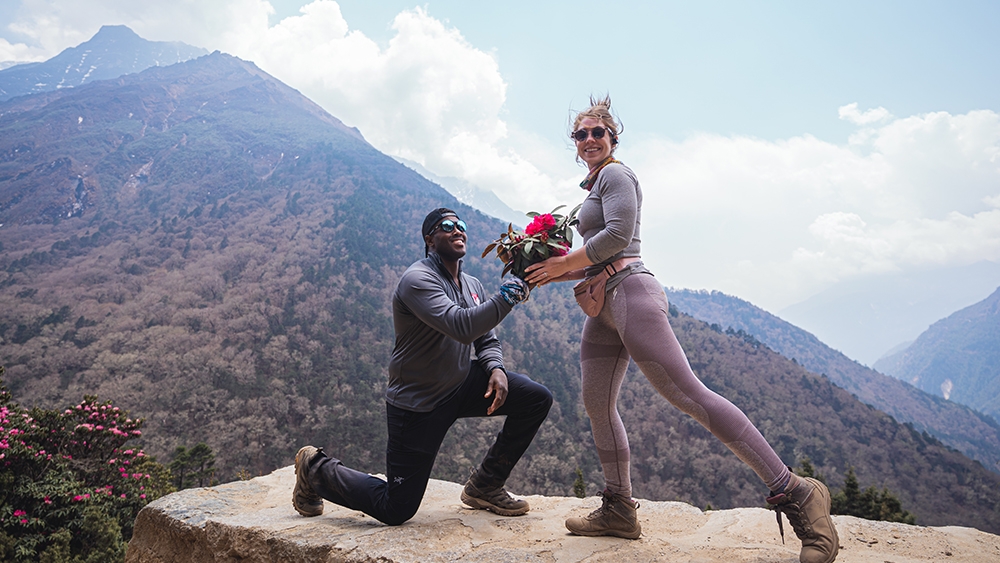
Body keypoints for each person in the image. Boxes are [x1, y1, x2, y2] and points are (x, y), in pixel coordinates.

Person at [524, 97, 839, 563]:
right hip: (604, 302)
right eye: (580, 134)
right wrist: (545, 272)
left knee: (689, 394)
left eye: (597, 132)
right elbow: (596, 255)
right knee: (596, 402)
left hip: (631, 294)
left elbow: (617, 237)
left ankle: (796, 491)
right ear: (574, 143)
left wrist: (563, 263)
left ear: (613, 137)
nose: (589, 139)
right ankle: (619, 509)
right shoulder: (594, 185)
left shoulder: (617, 175)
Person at [293, 208, 553, 526]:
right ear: (430, 239)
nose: (457, 230)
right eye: (447, 226)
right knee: (396, 508)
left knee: (535, 398)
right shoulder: (418, 280)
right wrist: (508, 296)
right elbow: (462, 327)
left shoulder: (471, 284)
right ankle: (314, 468)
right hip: (419, 402)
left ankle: (485, 485)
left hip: (459, 382)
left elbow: (485, 338)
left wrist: (496, 368)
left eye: (461, 225)